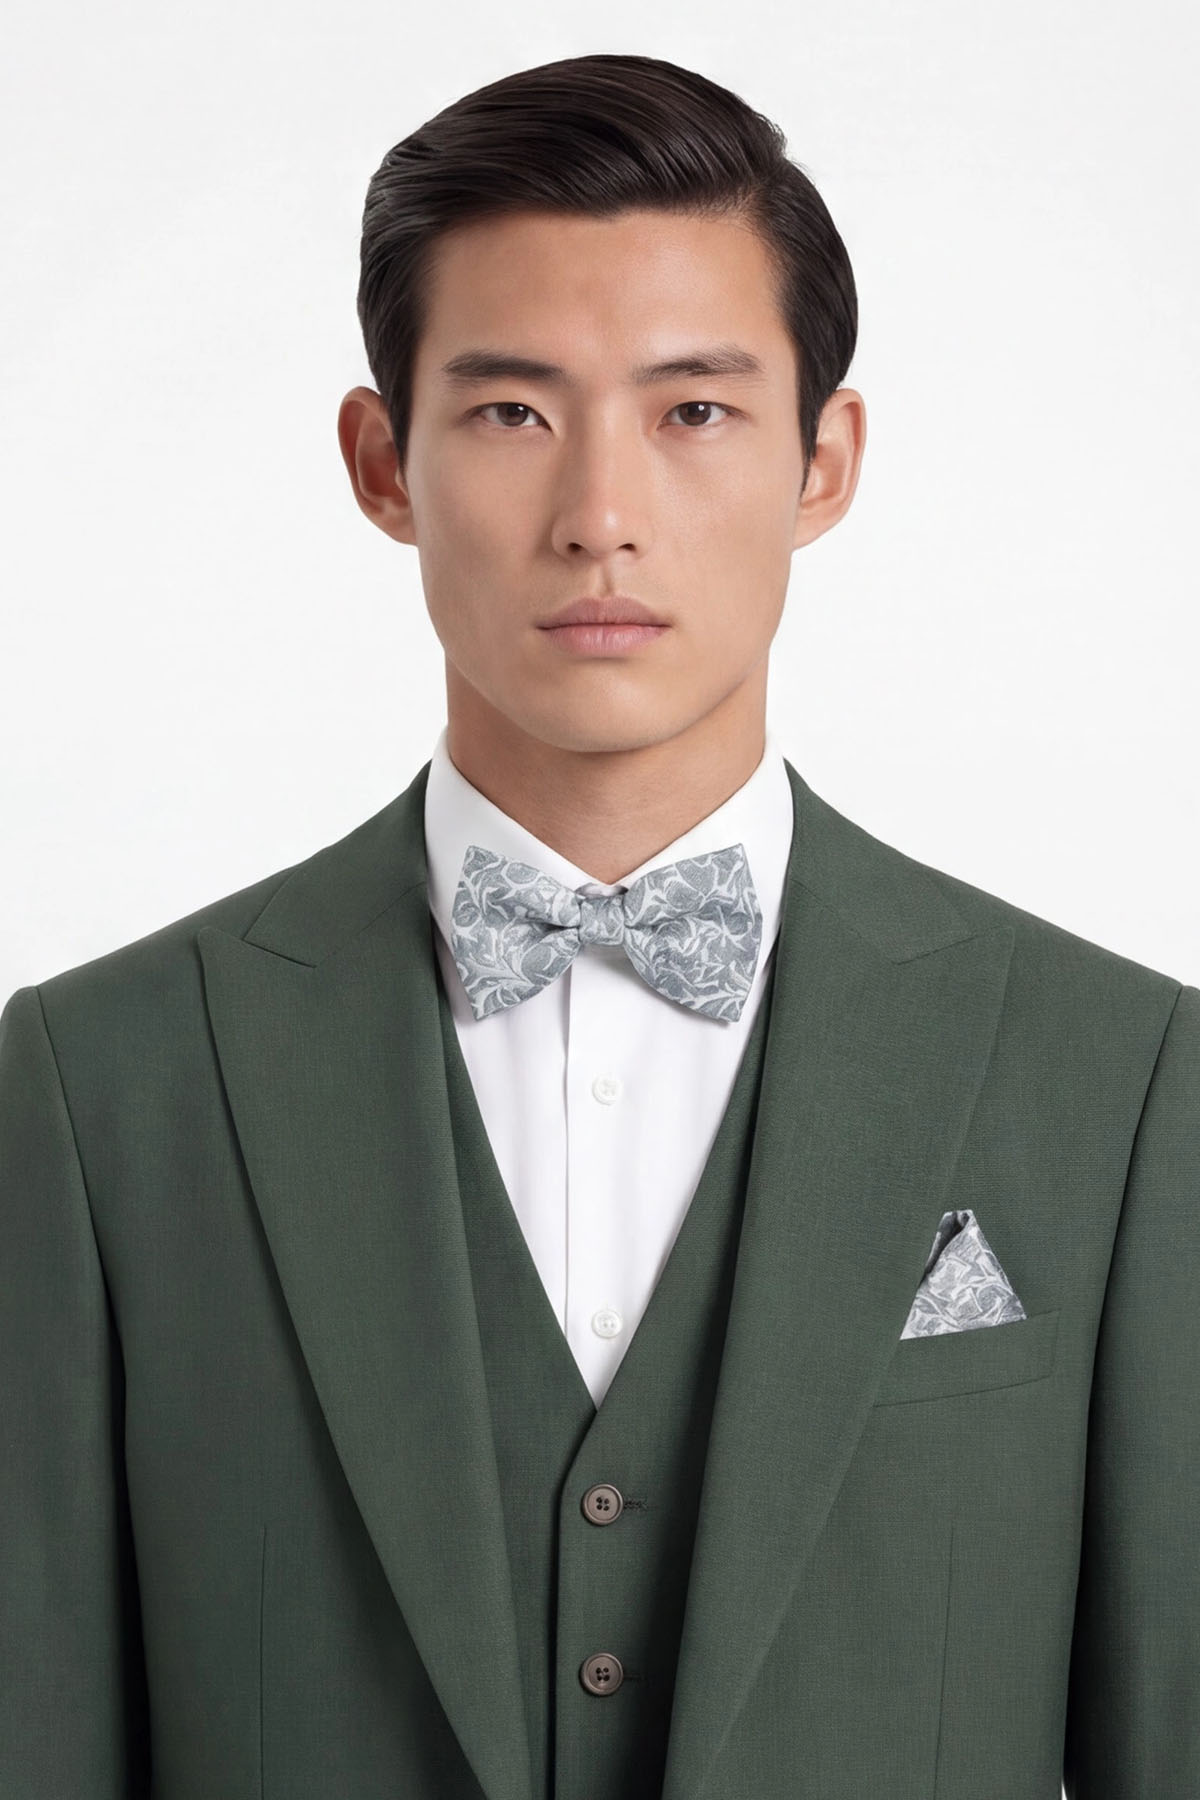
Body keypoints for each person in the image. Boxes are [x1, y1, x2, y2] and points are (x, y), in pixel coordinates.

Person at [1, 50, 1195, 1800]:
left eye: (693, 411)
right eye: (512, 414)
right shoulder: (97, 1090)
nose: (601, 520)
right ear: (382, 463)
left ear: (824, 463)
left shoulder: (1125, 1081)